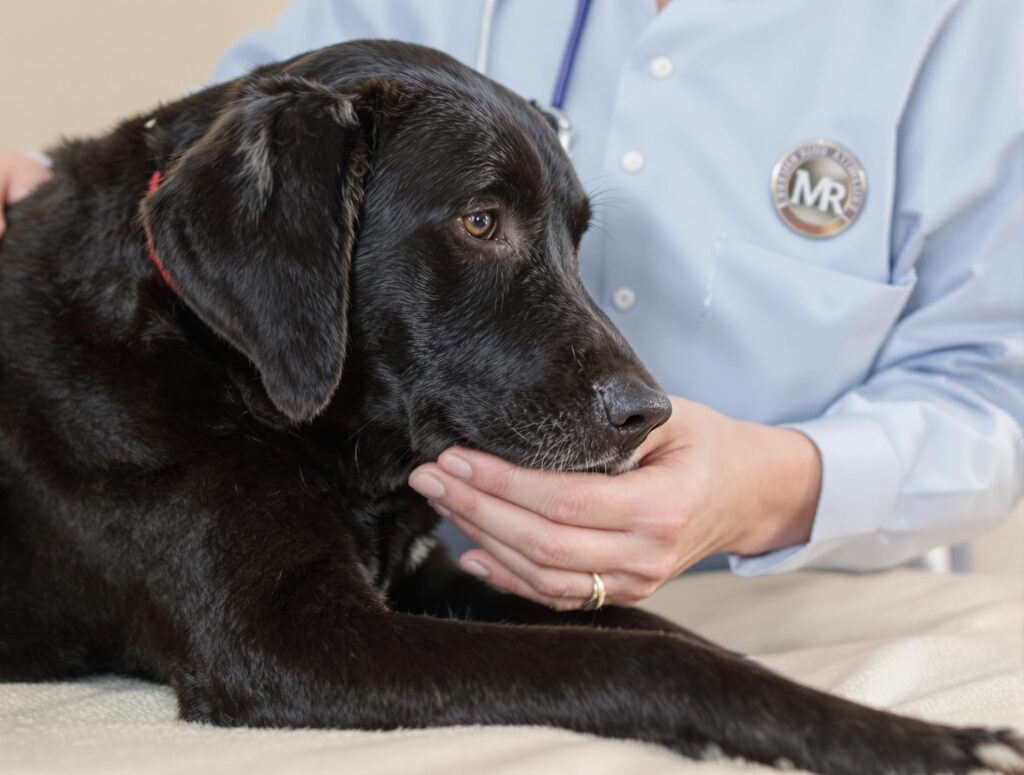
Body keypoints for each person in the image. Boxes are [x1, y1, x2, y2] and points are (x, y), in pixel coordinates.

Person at [2, 0, 1020, 612]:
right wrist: (44, 207)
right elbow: (254, 180)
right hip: (422, 588)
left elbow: (992, 394)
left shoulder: (971, 30)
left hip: (791, 605)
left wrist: (760, 492)